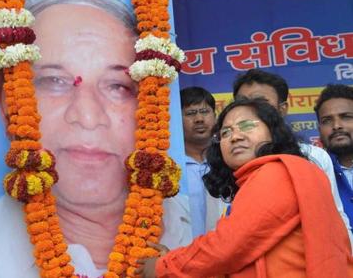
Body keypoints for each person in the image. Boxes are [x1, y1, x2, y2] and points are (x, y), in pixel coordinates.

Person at [0, 0, 191, 278]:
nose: (88, 116)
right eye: (55, 81)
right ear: (8, 105)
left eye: (118, 86)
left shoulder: (193, 227)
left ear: (151, 108)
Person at [138, 98, 353, 277]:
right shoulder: (260, 178)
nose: (235, 136)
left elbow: (227, 247)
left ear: (273, 133)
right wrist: (173, 258)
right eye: (225, 133)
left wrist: (162, 267)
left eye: (247, 126)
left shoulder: (275, 172)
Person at [233, 68, 353, 244]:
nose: (250, 111)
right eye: (242, 103)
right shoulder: (230, 157)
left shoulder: (313, 157)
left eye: (260, 102)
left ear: (282, 109)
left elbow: (335, 217)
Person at [180, 87, 226, 238]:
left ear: (215, 116)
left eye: (205, 112)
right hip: (179, 253)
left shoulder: (228, 160)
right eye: (190, 113)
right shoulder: (170, 166)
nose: (199, 119)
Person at [315, 83, 353, 237]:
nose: (336, 126)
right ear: (319, 129)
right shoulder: (313, 173)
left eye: (346, 117)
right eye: (327, 121)